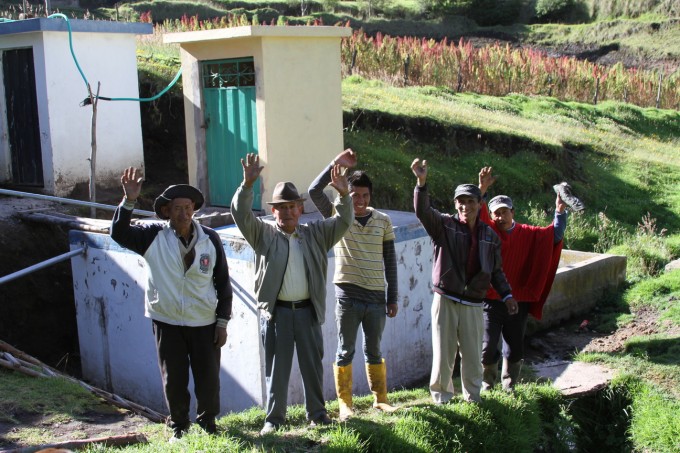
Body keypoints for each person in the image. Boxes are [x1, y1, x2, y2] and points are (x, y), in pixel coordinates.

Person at [230, 153, 353, 435]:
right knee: (277, 370)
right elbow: (240, 214)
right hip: (278, 315)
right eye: (281, 207)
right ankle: (274, 420)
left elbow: (344, 222)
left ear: (300, 209)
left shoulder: (315, 234)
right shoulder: (263, 234)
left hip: (308, 313)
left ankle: (318, 415)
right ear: (273, 211)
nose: (286, 212)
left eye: (292, 206)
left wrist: (344, 196)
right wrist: (247, 185)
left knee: (312, 367)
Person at [110, 167, 232, 441]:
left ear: (194, 210)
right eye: (177, 208)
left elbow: (223, 284)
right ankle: (179, 425)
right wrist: (129, 201)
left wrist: (222, 322)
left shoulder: (210, 239)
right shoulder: (152, 236)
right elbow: (118, 233)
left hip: (204, 321)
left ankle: (208, 423)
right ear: (167, 212)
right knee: (174, 379)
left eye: (188, 208)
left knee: (208, 379)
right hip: (168, 321)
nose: (184, 214)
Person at [411, 158, 517, 404]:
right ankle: (442, 399)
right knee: (444, 354)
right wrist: (421, 182)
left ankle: (473, 398)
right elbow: (422, 211)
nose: (465, 206)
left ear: (480, 204)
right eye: (461, 201)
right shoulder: (444, 226)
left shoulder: (490, 236)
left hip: (473, 302)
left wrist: (508, 295)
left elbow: (497, 272)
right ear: (455, 204)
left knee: (472, 354)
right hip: (446, 298)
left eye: (471, 201)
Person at [308, 149, 399, 421]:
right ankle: (345, 404)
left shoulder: (383, 220)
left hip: (375, 297)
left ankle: (380, 399)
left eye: (364, 196)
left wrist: (391, 297)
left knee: (374, 349)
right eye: (355, 194)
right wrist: (335, 164)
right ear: (346, 192)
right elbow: (314, 191)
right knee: (344, 349)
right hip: (347, 296)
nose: (359, 201)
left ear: (371, 196)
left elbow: (390, 262)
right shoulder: (338, 215)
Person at [478, 167, 567, 391]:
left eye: (504, 212)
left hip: (518, 301)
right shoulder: (488, 231)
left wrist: (560, 212)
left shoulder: (528, 233)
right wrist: (482, 189)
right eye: (496, 213)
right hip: (492, 298)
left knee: (515, 347)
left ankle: (510, 387)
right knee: (488, 346)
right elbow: (475, 215)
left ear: (512, 212)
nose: (500, 217)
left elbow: (554, 235)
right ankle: (488, 386)